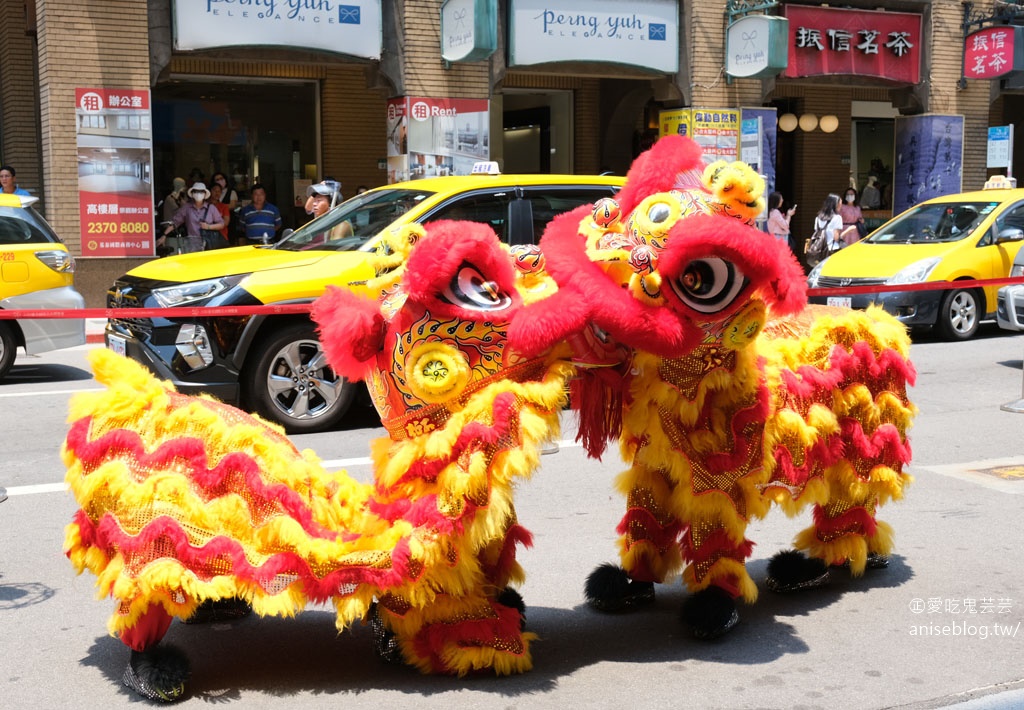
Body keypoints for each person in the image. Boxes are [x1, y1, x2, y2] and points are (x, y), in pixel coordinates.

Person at [159, 182, 226, 253]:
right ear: (192, 193)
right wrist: (164, 235)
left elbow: (221, 224)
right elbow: (175, 222)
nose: (198, 194)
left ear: (204, 194)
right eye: (196, 191)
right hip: (192, 245)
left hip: (209, 244)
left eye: (201, 192)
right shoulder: (187, 208)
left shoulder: (211, 208)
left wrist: (208, 227)